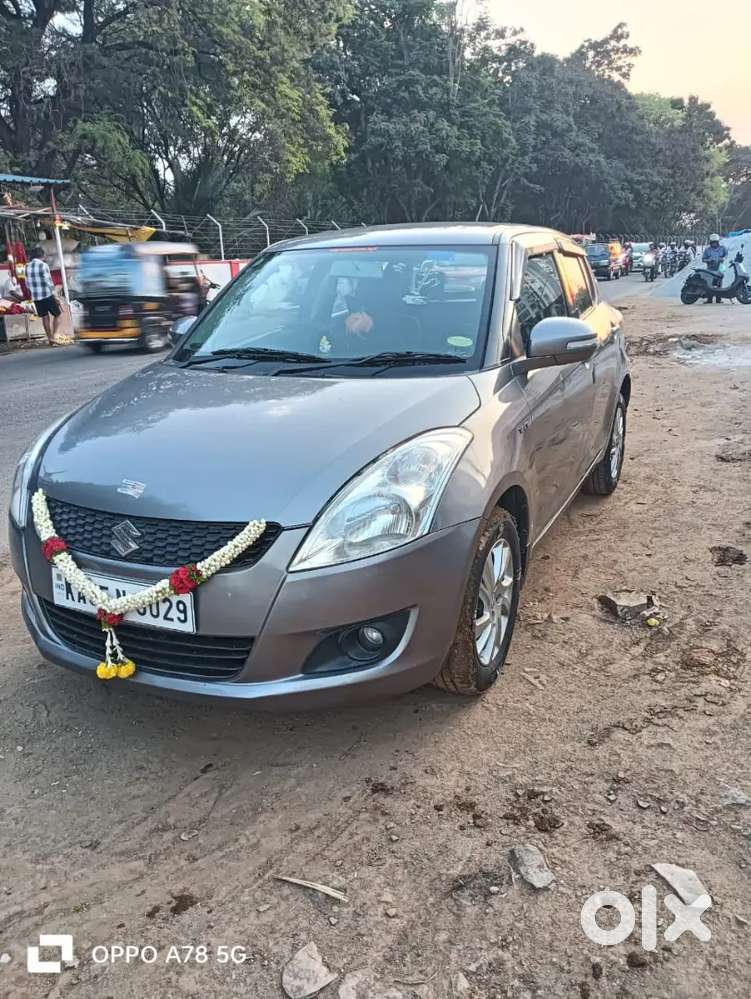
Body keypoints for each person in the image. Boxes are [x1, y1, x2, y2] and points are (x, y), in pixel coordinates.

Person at [25, 246, 62, 345]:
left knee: (45, 317)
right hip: (47, 295)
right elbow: (48, 282)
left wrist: (33, 291)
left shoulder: (27, 266)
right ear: (42, 255)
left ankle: (50, 338)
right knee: (58, 315)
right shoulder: (43, 265)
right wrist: (55, 296)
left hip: (36, 297)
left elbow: (27, 284)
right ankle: (55, 336)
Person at [702, 234, 728, 303]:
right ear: (710, 242)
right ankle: (709, 299)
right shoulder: (707, 250)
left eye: (715, 242)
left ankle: (718, 299)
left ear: (718, 242)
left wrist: (723, 258)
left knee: (719, 281)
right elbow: (703, 259)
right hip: (710, 267)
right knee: (709, 282)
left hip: (721, 266)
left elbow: (726, 255)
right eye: (712, 242)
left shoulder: (723, 248)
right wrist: (709, 260)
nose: (714, 244)